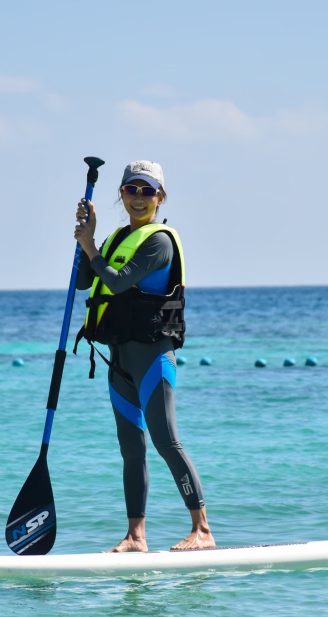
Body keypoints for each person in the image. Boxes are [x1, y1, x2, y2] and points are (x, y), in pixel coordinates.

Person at [73, 159, 214, 552]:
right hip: (119, 359)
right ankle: (136, 536)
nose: (138, 198)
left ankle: (202, 529)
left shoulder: (160, 241)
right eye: (131, 190)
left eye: (147, 191)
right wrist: (88, 239)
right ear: (121, 194)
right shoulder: (117, 239)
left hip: (153, 356)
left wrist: (89, 246)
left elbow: (116, 283)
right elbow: (87, 279)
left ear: (160, 197)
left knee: (167, 440)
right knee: (131, 447)